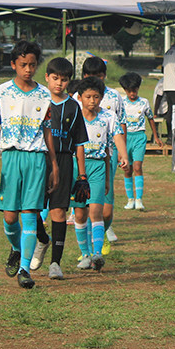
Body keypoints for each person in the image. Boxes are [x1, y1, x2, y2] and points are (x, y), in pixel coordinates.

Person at [0, 40, 60, 290]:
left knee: (30, 215)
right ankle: (16, 248)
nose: (28, 69)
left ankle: (25, 269)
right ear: (13, 64)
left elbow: (48, 131)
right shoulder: (2, 92)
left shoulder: (43, 94)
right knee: (9, 218)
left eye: (32, 65)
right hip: (11, 158)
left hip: (36, 159)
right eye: (23, 65)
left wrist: (54, 166)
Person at [30, 57, 88, 281]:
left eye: (64, 80)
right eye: (55, 78)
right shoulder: (38, 101)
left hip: (63, 161)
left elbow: (80, 143)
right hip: (37, 159)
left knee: (58, 212)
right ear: (46, 77)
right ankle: (42, 238)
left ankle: (55, 263)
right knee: (31, 208)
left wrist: (82, 175)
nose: (59, 84)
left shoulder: (73, 106)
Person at [69, 76, 127, 272]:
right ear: (80, 97)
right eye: (88, 97)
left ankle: (97, 254)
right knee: (80, 212)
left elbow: (117, 136)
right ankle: (85, 254)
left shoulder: (108, 117)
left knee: (95, 211)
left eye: (96, 97)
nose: (92, 101)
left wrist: (124, 155)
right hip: (77, 166)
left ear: (102, 98)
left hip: (98, 166)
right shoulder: (74, 116)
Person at [78, 56, 129, 252]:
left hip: (105, 156)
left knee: (104, 210)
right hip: (80, 160)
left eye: (98, 76)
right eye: (90, 77)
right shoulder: (76, 100)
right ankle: (89, 251)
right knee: (84, 211)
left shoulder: (114, 98)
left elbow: (119, 127)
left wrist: (122, 153)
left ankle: (101, 235)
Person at [119, 71, 160, 211]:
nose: (132, 94)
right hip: (125, 138)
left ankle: (139, 199)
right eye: (129, 91)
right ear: (125, 90)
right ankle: (130, 199)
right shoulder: (121, 103)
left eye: (135, 90)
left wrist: (156, 136)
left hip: (139, 137)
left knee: (137, 167)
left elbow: (150, 118)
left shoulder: (144, 102)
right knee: (127, 169)